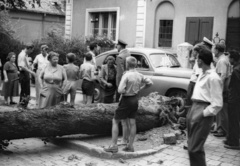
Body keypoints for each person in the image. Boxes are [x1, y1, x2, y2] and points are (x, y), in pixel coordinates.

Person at [104, 56, 153, 153]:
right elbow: (150, 83)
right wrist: (141, 88)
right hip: (135, 99)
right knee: (132, 123)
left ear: (127, 64)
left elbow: (120, 90)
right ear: (135, 64)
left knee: (115, 121)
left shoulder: (126, 75)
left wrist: (126, 91)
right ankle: (130, 146)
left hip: (126, 99)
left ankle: (113, 145)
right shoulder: (139, 75)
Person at [187, 48, 223, 166]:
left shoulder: (213, 77)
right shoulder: (202, 74)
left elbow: (217, 104)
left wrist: (203, 113)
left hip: (202, 111)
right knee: (192, 146)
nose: (196, 61)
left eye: (197, 59)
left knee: (194, 148)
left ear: (201, 61)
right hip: (195, 107)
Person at [212, 43, 231, 137]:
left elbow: (222, 76)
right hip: (223, 88)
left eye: (214, 49)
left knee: (222, 109)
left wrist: (218, 88)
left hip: (222, 88)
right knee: (220, 109)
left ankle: (222, 130)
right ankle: (219, 127)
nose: (212, 50)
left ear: (217, 50)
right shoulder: (223, 59)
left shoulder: (222, 60)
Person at [115, 39, 131, 145]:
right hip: (130, 86)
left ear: (120, 46)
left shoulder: (120, 57)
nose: (116, 47)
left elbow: (120, 73)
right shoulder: (129, 54)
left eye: (117, 45)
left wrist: (119, 86)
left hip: (123, 85)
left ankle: (124, 139)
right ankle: (127, 137)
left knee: (122, 114)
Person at [224, 50, 240, 150]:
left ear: (233, 59)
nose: (228, 60)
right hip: (235, 98)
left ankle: (234, 142)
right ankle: (231, 138)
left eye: (229, 58)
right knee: (234, 120)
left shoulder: (236, 70)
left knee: (233, 120)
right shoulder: (236, 68)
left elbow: (236, 87)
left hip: (235, 99)